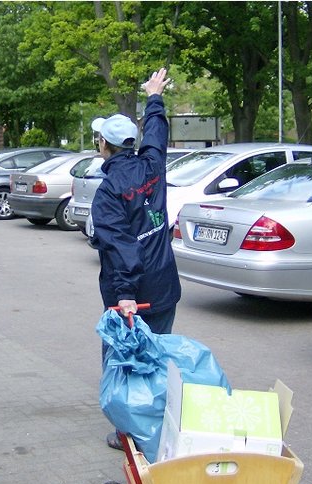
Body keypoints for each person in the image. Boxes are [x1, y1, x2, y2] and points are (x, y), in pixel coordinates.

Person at [90, 67, 181, 451]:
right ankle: (159, 425)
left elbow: (122, 247)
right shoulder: (152, 167)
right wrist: (154, 97)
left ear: (104, 147)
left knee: (126, 362)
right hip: (163, 286)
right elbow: (157, 135)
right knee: (157, 357)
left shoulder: (109, 192)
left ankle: (130, 432)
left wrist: (125, 293)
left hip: (131, 296)